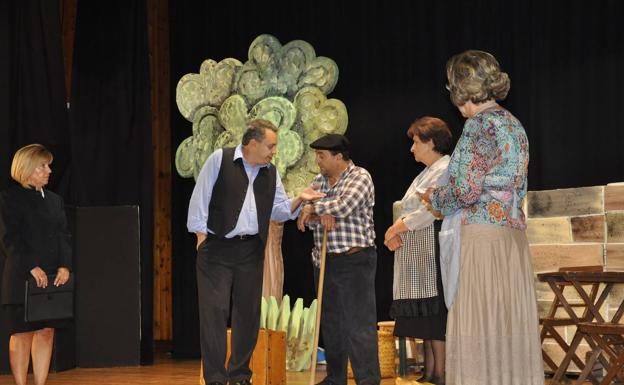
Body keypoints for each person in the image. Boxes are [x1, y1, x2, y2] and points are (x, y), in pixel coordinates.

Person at [421, 50, 544, 385]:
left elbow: (465, 190)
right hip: (512, 238)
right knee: (507, 323)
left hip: (483, 239)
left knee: (478, 320)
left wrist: (436, 198)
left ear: (459, 89)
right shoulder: (514, 124)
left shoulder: (477, 126)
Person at [187, 119, 324, 385]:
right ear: (252, 143)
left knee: (248, 314)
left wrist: (299, 199)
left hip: (250, 249)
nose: (274, 151)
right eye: (270, 146)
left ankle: (240, 376)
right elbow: (199, 201)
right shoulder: (220, 160)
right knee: (214, 313)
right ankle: (215, 378)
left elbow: (279, 211)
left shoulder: (270, 172)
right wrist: (202, 239)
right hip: (217, 248)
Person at [297, 134, 380, 385]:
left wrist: (316, 209)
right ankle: (335, 378)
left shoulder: (360, 177)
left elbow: (344, 206)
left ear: (338, 157)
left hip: (354, 259)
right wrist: (313, 213)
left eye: (321, 156)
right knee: (332, 324)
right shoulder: (318, 182)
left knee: (358, 324)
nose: (317, 160)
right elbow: (303, 219)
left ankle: (367, 380)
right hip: (324, 261)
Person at [384, 117, 452, 385]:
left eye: (415, 142)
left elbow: (430, 210)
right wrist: (396, 229)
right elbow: (406, 207)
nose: (411, 148)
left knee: (434, 310)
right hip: (416, 247)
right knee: (425, 311)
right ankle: (431, 371)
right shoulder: (425, 172)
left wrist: (398, 227)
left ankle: (440, 374)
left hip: (432, 245)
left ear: (431, 142)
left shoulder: (444, 169)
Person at [0, 144, 72, 385]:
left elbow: (63, 236)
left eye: (48, 165)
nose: (49, 170)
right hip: (22, 276)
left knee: (45, 331)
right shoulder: (10, 198)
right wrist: (32, 266)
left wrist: (64, 266)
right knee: (21, 334)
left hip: (51, 276)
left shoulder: (55, 200)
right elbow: (10, 238)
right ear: (27, 168)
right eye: (43, 165)